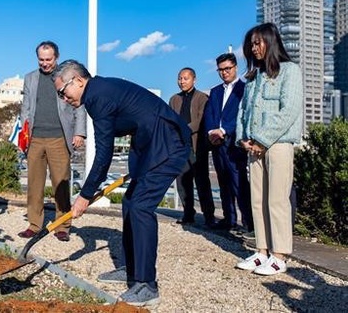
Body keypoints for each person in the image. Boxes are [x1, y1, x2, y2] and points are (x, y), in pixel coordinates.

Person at [53, 60, 191, 307]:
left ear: (78, 81)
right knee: (130, 203)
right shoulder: (98, 92)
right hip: (151, 145)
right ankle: (132, 270)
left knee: (141, 207)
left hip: (168, 144)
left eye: (63, 92)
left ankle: (147, 285)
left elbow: (104, 155)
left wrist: (84, 196)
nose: (64, 99)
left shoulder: (98, 98)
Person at [235, 22, 303, 276]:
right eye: (251, 44)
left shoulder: (289, 71)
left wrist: (262, 139)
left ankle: (280, 254)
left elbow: (290, 110)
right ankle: (262, 250)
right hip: (254, 147)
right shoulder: (253, 77)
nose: (254, 49)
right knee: (258, 200)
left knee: (277, 200)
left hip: (278, 145)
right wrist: (244, 138)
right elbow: (244, 111)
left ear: (270, 42)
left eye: (258, 42)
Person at [18, 41, 86, 242]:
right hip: (35, 139)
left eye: (48, 59)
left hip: (59, 138)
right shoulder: (30, 78)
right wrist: (23, 135)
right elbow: (26, 108)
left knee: (61, 184)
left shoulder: (66, 76)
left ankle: (62, 225)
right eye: (41, 59)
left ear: (56, 57)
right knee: (34, 184)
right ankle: (34, 224)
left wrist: (79, 133)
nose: (45, 63)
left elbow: (79, 106)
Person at [204, 53, 253, 233]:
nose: (224, 73)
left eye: (227, 69)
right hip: (217, 144)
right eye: (221, 70)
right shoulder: (215, 91)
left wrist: (224, 130)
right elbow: (209, 114)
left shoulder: (244, 89)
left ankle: (248, 223)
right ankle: (229, 219)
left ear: (235, 68)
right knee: (223, 183)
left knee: (239, 184)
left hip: (234, 144)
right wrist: (211, 132)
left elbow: (243, 115)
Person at [169, 68, 216, 227]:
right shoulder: (174, 99)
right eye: (180, 78)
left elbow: (200, 120)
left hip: (197, 146)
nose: (182, 81)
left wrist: (183, 130)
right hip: (179, 147)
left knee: (202, 182)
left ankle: (209, 215)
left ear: (194, 80)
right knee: (182, 182)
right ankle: (188, 213)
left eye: (186, 78)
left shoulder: (202, 98)